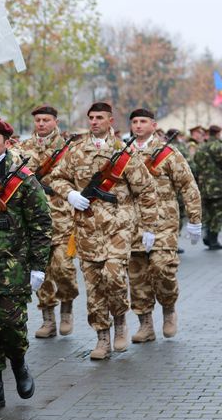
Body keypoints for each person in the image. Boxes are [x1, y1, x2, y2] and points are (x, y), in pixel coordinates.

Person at [50, 102, 157, 360]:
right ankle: (101, 337)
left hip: (118, 228)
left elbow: (146, 190)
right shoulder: (76, 151)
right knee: (94, 286)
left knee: (114, 277)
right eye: (91, 117)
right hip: (86, 228)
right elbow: (56, 177)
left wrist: (149, 227)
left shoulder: (123, 154)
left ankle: (120, 321)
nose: (94, 121)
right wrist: (71, 194)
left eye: (100, 117)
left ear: (111, 121)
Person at [0, 119, 51, 410]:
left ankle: (18, 363)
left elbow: (41, 224)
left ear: (7, 142)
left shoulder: (22, 178)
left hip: (13, 266)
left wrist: (38, 266)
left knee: (11, 326)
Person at [127, 109, 202, 341]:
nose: (138, 126)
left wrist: (195, 220)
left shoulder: (167, 153)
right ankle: (145, 324)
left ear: (153, 125)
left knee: (162, 268)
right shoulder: (124, 154)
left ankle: (169, 310)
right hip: (133, 223)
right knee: (137, 275)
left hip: (164, 222)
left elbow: (188, 185)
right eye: (135, 122)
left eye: (143, 122)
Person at [18, 105, 80, 338]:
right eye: (38, 120)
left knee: (63, 267)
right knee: (40, 272)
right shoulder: (23, 148)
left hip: (63, 218)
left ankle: (66, 305)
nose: (41, 124)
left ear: (56, 121)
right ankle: (47, 318)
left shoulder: (69, 148)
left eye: (46, 120)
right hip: (34, 220)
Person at [194, 125, 222, 249]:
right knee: (217, 213)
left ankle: (207, 236)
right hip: (217, 185)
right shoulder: (218, 146)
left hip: (204, 185)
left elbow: (196, 163)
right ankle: (213, 240)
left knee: (208, 213)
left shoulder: (201, 147)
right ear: (218, 133)